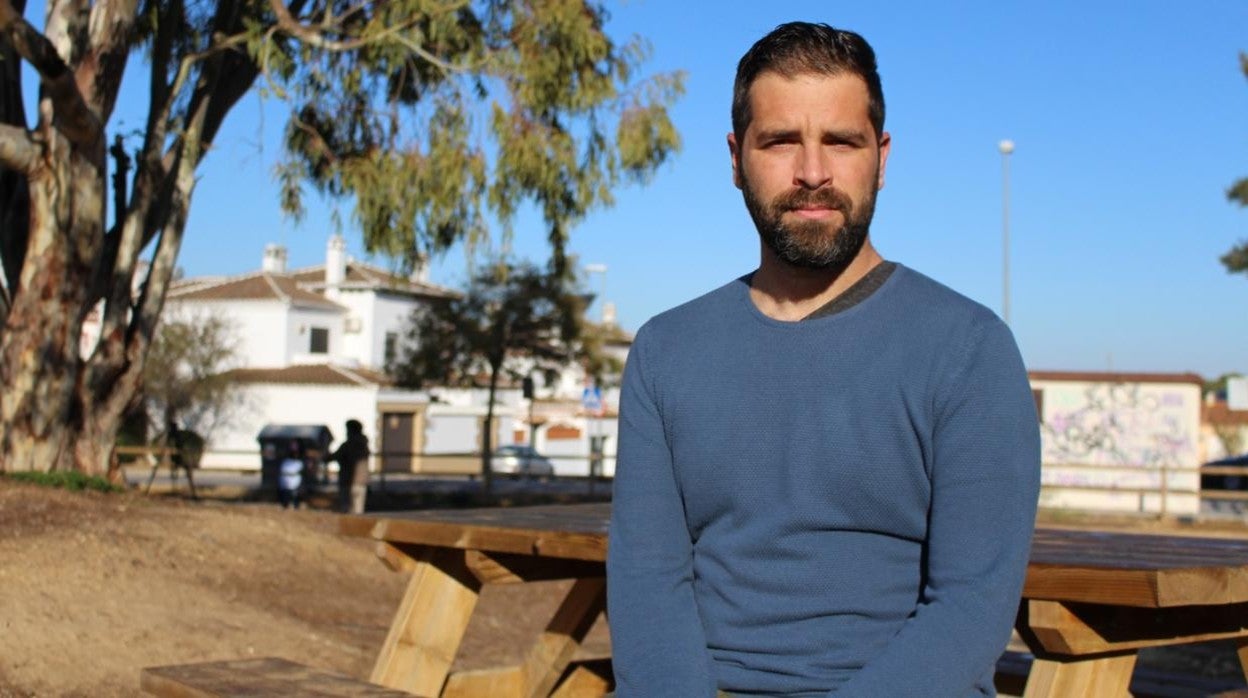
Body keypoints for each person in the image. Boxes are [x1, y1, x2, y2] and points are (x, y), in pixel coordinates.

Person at [606, 22, 1041, 697]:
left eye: (841, 141)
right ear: (735, 158)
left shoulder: (968, 350)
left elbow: (970, 612)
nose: (813, 173)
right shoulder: (666, 351)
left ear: (882, 157)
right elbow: (647, 586)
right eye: (781, 141)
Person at [329, 419, 371, 514]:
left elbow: (333, 457)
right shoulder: (364, 445)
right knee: (358, 512)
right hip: (361, 482)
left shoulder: (348, 445)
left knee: (347, 511)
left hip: (348, 482)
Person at [278, 440, 304, 510]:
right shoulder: (286, 460)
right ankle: (285, 505)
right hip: (286, 478)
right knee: (285, 493)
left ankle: (295, 505)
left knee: (295, 493)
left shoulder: (299, 462)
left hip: (294, 479)